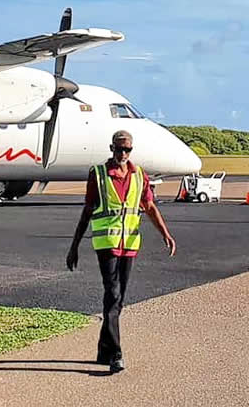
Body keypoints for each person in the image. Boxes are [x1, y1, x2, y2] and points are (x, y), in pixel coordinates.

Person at [66, 130, 176, 374]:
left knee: (117, 299)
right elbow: (87, 210)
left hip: (130, 245)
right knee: (113, 294)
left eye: (127, 150)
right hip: (107, 243)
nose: (123, 154)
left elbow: (148, 206)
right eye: (119, 149)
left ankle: (103, 349)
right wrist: (74, 246)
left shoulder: (139, 176)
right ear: (111, 148)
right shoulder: (99, 174)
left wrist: (165, 233)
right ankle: (116, 353)